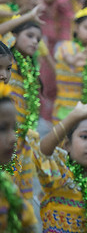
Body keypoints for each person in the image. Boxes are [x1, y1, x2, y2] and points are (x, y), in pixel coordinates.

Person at [32, 101, 87, 232]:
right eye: (85, 137)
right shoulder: (61, 179)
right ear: (67, 146)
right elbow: (43, 153)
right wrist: (73, 117)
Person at [8, 20, 42, 200]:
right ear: (13, 35)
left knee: (21, 187)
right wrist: (28, 15)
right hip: (6, 135)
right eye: (29, 36)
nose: (35, 41)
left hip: (24, 138)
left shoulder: (31, 70)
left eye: (38, 39)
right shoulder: (6, 61)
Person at [52, 7, 87, 122]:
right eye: (86, 28)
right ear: (76, 28)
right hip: (65, 107)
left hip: (83, 107)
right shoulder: (66, 46)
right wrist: (74, 60)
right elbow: (68, 58)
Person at [0, 81, 38, 232]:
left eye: (13, 128)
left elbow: (28, 225)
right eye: (2, 129)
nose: (13, 138)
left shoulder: (7, 186)